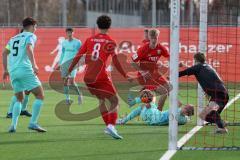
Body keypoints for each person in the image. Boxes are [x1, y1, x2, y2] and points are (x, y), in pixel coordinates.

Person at [68, 15, 131, 139]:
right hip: (100, 76)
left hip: (88, 78)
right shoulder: (110, 41)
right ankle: (111, 126)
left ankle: (108, 126)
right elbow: (116, 61)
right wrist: (125, 75)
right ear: (109, 26)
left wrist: (69, 72)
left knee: (102, 100)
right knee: (115, 100)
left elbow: (78, 56)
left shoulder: (89, 39)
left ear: (97, 25)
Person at [2, 17, 46, 133]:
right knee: (40, 95)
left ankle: (13, 125)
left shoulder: (13, 38)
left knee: (19, 98)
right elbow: (28, 48)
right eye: (35, 26)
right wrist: (34, 65)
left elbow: (4, 53)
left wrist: (5, 70)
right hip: (25, 69)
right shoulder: (30, 36)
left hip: (13, 71)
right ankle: (33, 123)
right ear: (31, 26)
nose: (36, 29)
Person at [179, 52, 229, 134]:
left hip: (218, 94)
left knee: (210, 113)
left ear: (195, 60)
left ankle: (222, 128)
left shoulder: (197, 67)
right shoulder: (207, 66)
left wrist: (171, 76)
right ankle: (221, 122)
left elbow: (183, 73)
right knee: (203, 116)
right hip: (221, 94)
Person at [129, 28, 171, 111]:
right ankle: (158, 112)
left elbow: (170, 58)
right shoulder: (143, 49)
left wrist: (175, 65)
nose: (154, 40)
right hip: (145, 76)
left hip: (155, 74)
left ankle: (137, 99)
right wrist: (142, 72)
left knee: (169, 88)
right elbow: (132, 62)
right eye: (152, 38)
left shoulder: (161, 48)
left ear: (157, 37)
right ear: (149, 38)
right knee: (163, 92)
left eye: (155, 38)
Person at [117, 89, 194, 125]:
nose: (183, 107)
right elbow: (185, 116)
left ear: (186, 112)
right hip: (156, 114)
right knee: (151, 99)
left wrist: (169, 91)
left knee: (146, 101)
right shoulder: (184, 119)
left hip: (153, 117)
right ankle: (134, 102)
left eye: (185, 108)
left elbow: (179, 103)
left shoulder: (178, 114)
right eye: (185, 107)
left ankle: (123, 120)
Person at [58, 28, 83, 105]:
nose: (69, 34)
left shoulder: (78, 42)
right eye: (68, 32)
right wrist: (60, 63)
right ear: (66, 33)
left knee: (72, 82)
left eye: (70, 32)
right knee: (65, 81)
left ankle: (79, 95)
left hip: (73, 64)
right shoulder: (64, 42)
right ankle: (67, 99)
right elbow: (62, 53)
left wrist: (79, 64)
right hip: (64, 63)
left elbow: (80, 54)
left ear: (73, 33)